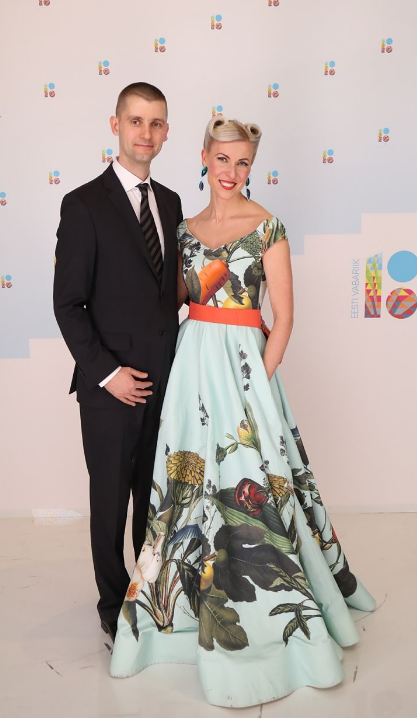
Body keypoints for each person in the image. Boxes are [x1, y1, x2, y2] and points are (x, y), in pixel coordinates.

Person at [110, 117, 375, 707]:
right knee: (187, 480)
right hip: (191, 366)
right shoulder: (184, 229)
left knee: (256, 479)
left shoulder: (268, 227)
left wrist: (260, 380)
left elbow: (284, 317)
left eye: (243, 162)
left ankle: (274, 596)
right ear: (204, 157)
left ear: (252, 166)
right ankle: (177, 602)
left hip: (246, 369)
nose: (231, 172)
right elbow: (175, 300)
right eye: (223, 158)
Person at [53, 83, 182, 643]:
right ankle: (112, 603)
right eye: (136, 121)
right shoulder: (83, 204)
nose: (145, 134)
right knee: (109, 500)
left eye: (156, 123)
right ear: (116, 125)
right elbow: (68, 304)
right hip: (109, 388)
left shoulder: (170, 202)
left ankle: (149, 590)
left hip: (164, 380)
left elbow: (168, 294)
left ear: (166, 131)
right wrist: (108, 374)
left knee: (154, 499)